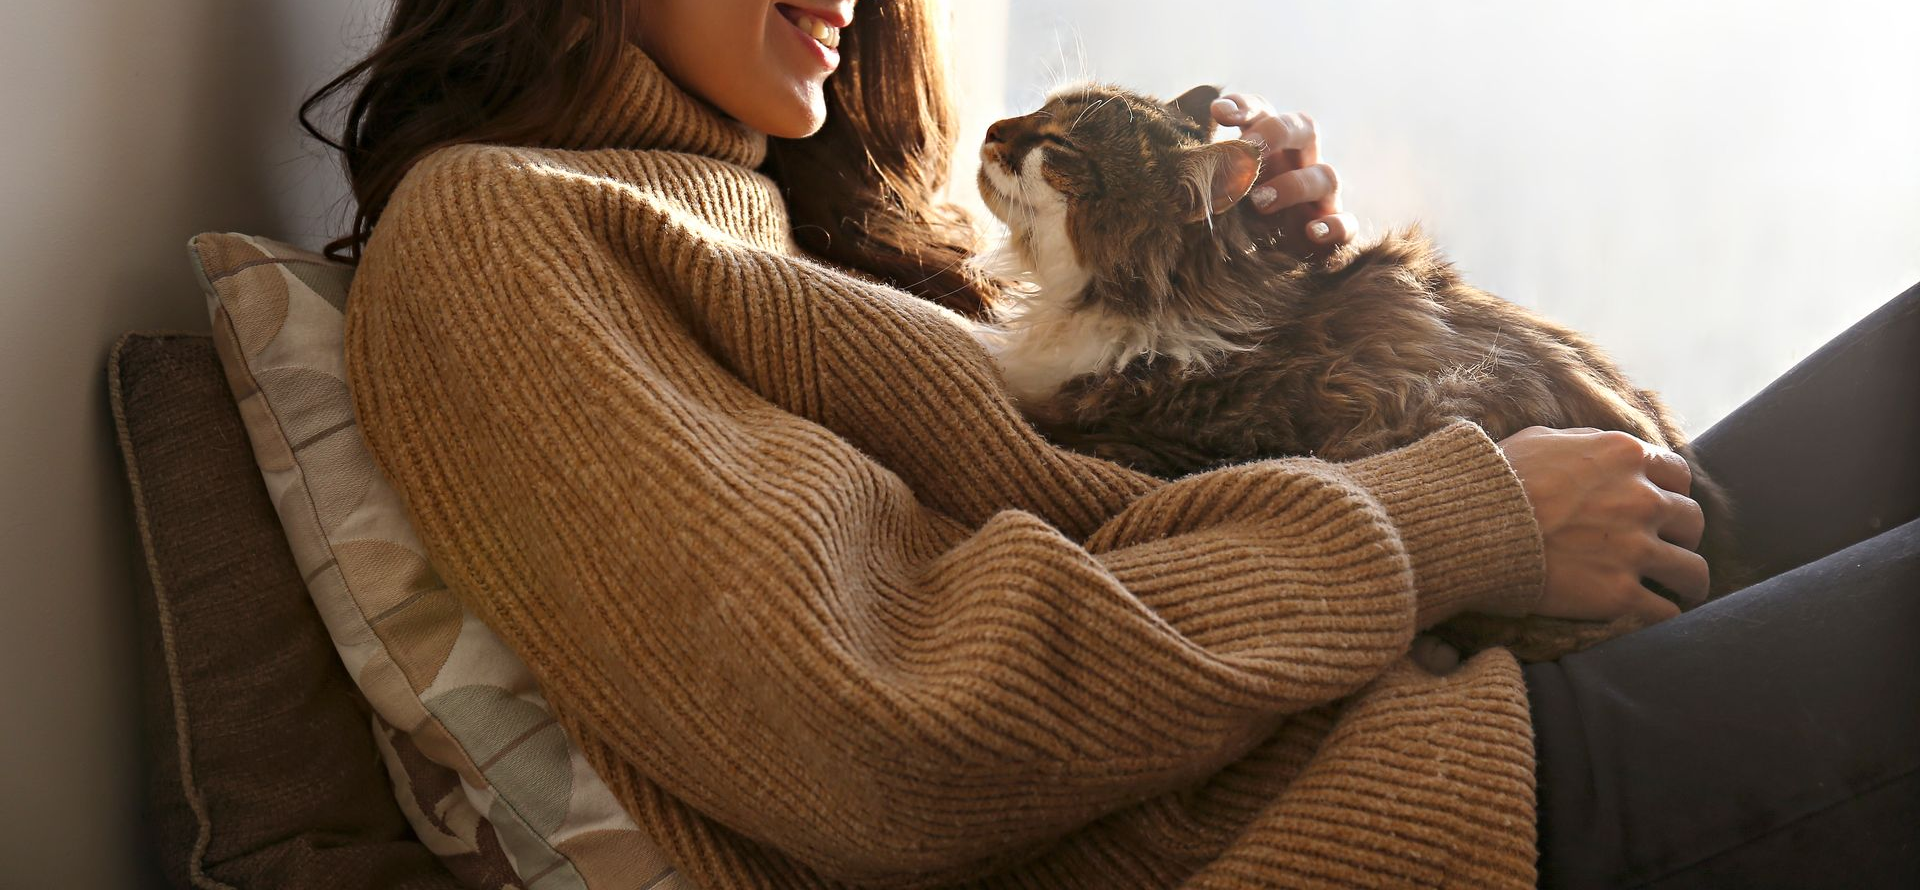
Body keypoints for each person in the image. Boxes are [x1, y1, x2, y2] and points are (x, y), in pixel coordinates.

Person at [306, 1, 1918, 886]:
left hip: (1414, 690)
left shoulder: (786, 227)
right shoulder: (495, 239)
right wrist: (1447, 518)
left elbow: (1117, 491)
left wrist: (1263, 293)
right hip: (1363, 817)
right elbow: (890, 733)